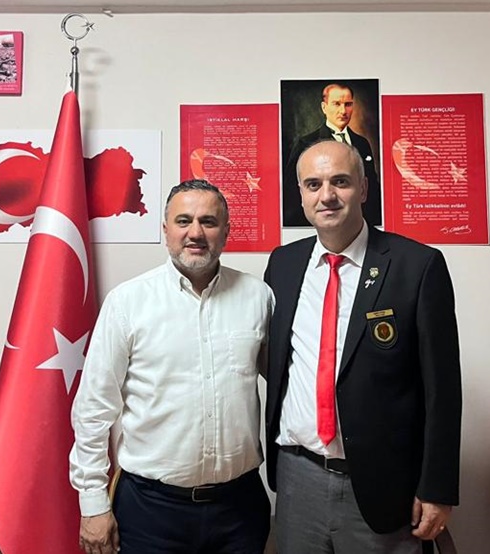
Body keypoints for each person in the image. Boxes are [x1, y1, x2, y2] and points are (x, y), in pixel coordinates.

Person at [264, 140, 461, 554]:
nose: (327, 196)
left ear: (364, 188)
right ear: (300, 194)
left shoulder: (417, 266)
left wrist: (437, 488)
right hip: (299, 478)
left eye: (340, 182)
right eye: (313, 184)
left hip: (382, 484)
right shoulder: (283, 264)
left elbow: (442, 389)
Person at [70, 179, 273, 554]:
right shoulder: (128, 302)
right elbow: (93, 408)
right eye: (184, 221)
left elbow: (288, 383)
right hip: (151, 511)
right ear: (166, 230)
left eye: (209, 221)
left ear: (226, 231)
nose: (195, 232)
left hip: (239, 510)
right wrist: (93, 502)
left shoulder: (258, 297)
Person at [283, 83, 382, 227]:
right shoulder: (305, 144)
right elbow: (292, 194)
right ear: (324, 107)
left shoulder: (362, 143)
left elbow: (372, 189)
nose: (343, 111)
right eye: (337, 104)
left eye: (348, 104)